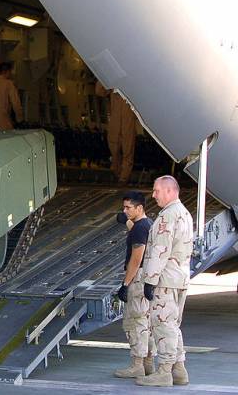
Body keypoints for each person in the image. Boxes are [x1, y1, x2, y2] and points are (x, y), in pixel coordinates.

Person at [136, 175, 194, 387]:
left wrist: (150, 281)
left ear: (170, 191)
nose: (153, 195)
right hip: (180, 278)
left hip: (165, 280)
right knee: (173, 325)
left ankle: (164, 371)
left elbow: (160, 250)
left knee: (163, 325)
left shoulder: (167, 216)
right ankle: (179, 370)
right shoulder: (184, 213)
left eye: (157, 191)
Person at [114, 191, 156, 378]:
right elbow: (136, 229)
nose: (124, 211)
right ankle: (148, 363)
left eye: (128, 208)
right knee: (146, 322)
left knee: (134, 322)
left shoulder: (139, 229)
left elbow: (136, 259)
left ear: (139, 208)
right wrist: (127, 221)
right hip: (146, 276)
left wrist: (125, 284)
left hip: (137, 278)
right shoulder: (147, 224)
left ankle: (137, 365)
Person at [96, 82, 137, 184]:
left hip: (128, 120)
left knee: (128, 149)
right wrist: (104, 77)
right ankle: (118, 172)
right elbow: (99, 91)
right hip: (115, 120)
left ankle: (123, 178)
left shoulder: (133, 82)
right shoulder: (113, 81)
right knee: (113, 147)